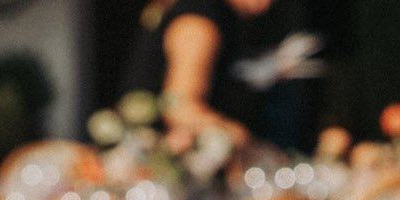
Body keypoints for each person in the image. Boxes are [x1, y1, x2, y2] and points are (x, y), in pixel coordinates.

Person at [127, 0, 326, 155]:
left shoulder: (235, 19)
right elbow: (179, 107)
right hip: (151, 174)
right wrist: (245, 141)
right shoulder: (200, 18)